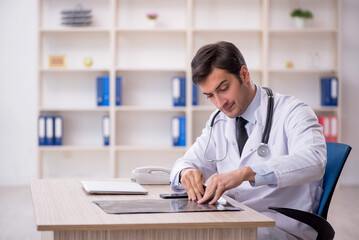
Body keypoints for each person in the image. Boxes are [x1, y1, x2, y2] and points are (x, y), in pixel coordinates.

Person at [170, 41, 327, 239]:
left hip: (279, 225)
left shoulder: (293, 111)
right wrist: (186, 172)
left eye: (224, 88)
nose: (220, 103)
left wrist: (247, 173)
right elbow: (188, 160)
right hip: (234, 218)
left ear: (244, 74)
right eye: (210, 95)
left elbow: (314, 160)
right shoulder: (218, 120)